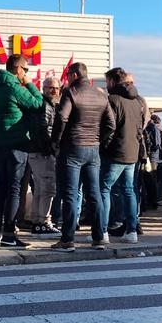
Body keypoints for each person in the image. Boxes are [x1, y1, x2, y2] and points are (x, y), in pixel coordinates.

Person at [50, 62, 116, 251]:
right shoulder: (101, 95)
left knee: (70, 194)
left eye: (68, 75)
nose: (67, 78)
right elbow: (111, 125)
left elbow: (62, 117)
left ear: (74, 75)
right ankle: (99, 238)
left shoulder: (71, 93)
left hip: (72, 148)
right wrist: (100, 140)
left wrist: (56, 141)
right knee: (94, 194)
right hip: (93, 149)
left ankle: (68, 239)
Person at [0, 54, 44, 248]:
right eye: (25, 70)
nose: (26, 73)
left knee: (0, 189)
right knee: (15, 190)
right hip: (17, 145)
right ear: (18, 69)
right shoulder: (15, 89)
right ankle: (9, 234)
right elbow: (38, 103)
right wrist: (30, 83)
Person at [101, 67, 145, 244]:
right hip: (132, 152)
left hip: (115, 152)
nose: (106, 85)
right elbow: (140, 128)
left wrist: (103, 145)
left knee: (104, 189)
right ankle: (132, 231)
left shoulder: (113, 100)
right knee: (129, 190)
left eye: (107, 82)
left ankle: (102, 231)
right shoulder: (136, 101)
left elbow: (109, 126)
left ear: (112, 81)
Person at [27, 78, 61, 236]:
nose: (54, 91)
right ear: (44, 88)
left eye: (56, 88)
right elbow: (44, 129)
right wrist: (51, 147)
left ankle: (38, 221)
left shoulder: (45, 104)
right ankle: (44, 221)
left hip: (36, 151)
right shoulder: (46, 106)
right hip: (43, 152)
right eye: (50, 88)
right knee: (47, 188)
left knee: (40, 188)